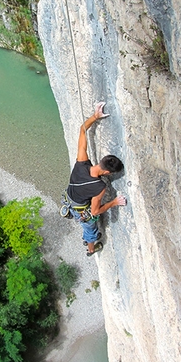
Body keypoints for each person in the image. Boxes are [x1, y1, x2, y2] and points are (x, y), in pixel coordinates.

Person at [65, 101, 127, 257]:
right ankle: (91, 248)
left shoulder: (81, 161)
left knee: (87, 224)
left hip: (70, 197)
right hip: (81, 211)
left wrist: (95, 116)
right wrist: (114, 202)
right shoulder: (99, 187)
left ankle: (88, 238)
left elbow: (82, 130)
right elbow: (95, 211)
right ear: (107, 173)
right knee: (91, 229)